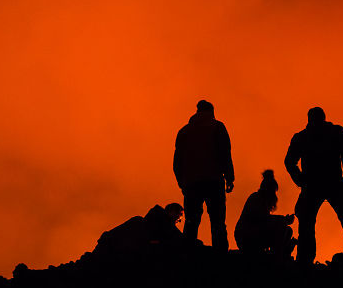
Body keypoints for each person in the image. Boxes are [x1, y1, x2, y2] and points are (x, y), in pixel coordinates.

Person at [284, 107, 343, 264]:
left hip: (321, 185)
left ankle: (305, 263)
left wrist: (300, 180)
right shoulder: (333, 133)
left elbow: (289, 161)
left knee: (313, 223)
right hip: (326, 184)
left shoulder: (305, 137)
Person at [173, 100, 235, 250]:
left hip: (191, 183)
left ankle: (187, 256)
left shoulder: (184, 131)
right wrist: (230, 178)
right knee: (218, 222)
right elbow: (225, 154)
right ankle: (220, 258)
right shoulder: (218, 127)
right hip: (214, 181)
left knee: (191, 222)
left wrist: (182, 182)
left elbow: (177, 162)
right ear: (212, 112)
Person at [235, 170, 297, 257]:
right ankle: (275, 258)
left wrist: (283, 220)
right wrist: (283, 220)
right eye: (274, 192)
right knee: (282, 228)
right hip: (246, 238)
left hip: (252, 235)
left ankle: (279, 255)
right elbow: (263, 220)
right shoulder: (256, 198)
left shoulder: (262, 201)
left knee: (288, 230)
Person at [93, 203, 184, 256]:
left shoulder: (138, 221)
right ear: (172, 212)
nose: (178, 221)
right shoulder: (168, 232)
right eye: (179, 217)